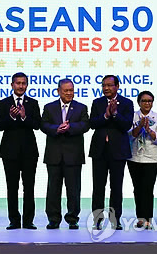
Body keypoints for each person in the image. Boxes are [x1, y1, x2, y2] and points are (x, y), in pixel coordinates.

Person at [40, 78, 89, 229]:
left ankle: (72, 218)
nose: (69, 93)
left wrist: (70, 128)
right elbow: (43, 125)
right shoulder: (49, 107)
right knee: (53, 188)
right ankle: (53, 219)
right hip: (54, 155)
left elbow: (86, 125)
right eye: (66, 90)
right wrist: (57, 129)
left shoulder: (81, 107)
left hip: (73, 155)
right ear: (58, 91)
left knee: (73, 189)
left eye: (71, 90)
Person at [89, 75, 134, 230]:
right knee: (98, 186)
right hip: (99, 150)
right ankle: (97, 219)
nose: (106, 88)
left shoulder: (127, 103)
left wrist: (115, 114)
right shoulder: (97, 103)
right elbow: (92, 123)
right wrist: (106, 115)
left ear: (117, 86)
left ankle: (115, 219)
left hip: (118, 152)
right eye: (104, 85)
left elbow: (127, 125)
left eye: (109, 85)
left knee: (116, 187)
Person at [0, 72, 41, 230]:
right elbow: (0, 125)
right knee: (12, 186)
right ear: (12, 85)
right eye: (18, 83)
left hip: (29, 151)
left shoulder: (33, 103)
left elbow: (37, 125)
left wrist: (24, 117)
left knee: (29, 186)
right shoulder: (3, 103)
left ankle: (28, 220)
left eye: (23, 83)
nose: (21, 86)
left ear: (27, 85)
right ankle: (14, 220)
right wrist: (10, 116)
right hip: (9, 151)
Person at [127, 91, 157, 229]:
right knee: (137, 189)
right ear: (139, 102)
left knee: (148, 189)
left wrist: (148, 129)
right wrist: (140, 126)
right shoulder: (132, 116)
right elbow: (130, 136)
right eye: (144, 101)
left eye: (149, 101)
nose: (147, 103)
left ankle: (148, 219)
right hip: (134, 157)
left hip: (151, 157)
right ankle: (140, 218)